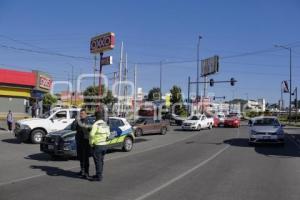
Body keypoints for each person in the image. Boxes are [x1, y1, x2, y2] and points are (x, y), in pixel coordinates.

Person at [89, 115, 110, 182]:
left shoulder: (96, 124)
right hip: (104, 145)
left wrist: (91, 142)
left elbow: (92, 134)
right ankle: (99, 174)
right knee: (101, 161)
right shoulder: (104, 124)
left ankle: (99, 176)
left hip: (97, 145)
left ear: (96, 117)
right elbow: (108, 134)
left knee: (97, 161)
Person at [74, 109, 91, 179]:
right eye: (81, 114)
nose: (81, 115)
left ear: (86, 114)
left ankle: (86, 173)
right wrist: (75, 121)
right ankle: (82, 170)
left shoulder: (88, 121)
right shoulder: (78, 121)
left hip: (86, 142)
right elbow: (73, 128)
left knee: (85, 158)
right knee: (80, 157)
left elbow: (89, 130)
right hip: (79, 141)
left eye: (83, 113)